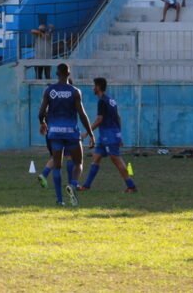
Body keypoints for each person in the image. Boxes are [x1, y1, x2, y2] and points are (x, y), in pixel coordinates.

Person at [38, 62, 94, 206]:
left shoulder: (50, 91)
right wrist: (91, 133)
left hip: (55, 133)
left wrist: (43, 122)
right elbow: (82, 114)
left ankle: (60, 200)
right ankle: (73, 184)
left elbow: (41, 113)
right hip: (71, 133)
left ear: (57, 74)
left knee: (57, 166)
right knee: (78, 163)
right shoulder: (75, 91)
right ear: (69, 74)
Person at [80, 78, 138, 194]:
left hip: (109, 134)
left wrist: (87, 132)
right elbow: (118, 118)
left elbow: (99, 119)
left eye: (94, 86)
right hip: (106, 135)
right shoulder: (111, 100)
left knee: (116, 160)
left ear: (99, 87)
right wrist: (119, 135)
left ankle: (131, 186)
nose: (93, 88)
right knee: (95, 158)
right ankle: (86, 186)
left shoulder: (102, 101)